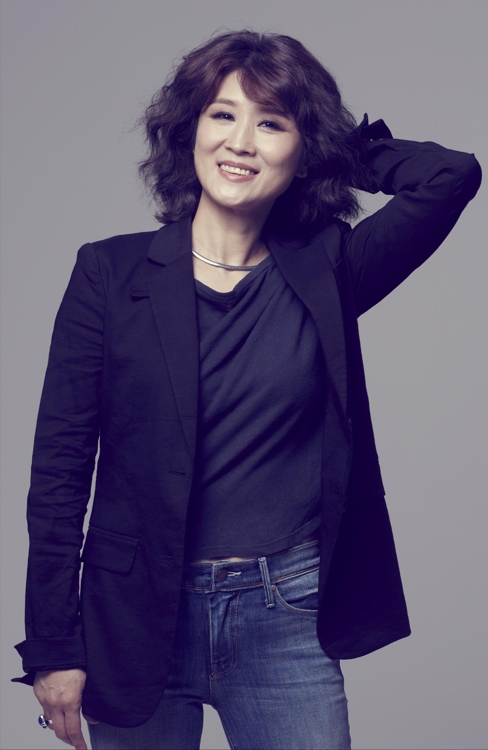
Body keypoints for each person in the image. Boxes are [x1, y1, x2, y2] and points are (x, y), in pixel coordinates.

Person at [12, 29, 481, 750]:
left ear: (302, 149)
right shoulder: (109, 274)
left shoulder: (330, 270)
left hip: (284, 610)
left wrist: (338, 147)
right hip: (135, 614)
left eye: (272, 123)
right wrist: (52, 645)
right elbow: (59, 471)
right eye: (223, 114)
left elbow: (448, 175)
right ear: (190, 130)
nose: (241, 141)